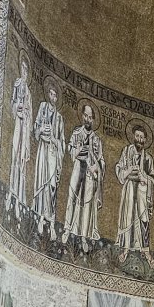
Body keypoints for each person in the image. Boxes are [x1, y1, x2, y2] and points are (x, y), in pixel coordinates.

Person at [62, 103, 104, 252]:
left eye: (90, 117)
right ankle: (67, 228)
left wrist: (96, 168)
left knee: (87, 203)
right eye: (85, 115)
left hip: (89, 174)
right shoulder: (76, 133)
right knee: (72, 196)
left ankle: (84, 236)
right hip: (78, 168)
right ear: (82, 116)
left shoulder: (96, 140)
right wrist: (79, 149)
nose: (87, 119)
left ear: (93, 120)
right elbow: (71, 150)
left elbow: (101, 160)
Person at [114, 124, 154, 266]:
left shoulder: (148, 159)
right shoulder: (126, 151)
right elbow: (119, 169)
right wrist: (128, 172)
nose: (139, 139)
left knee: (143, 221)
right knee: (128, 217)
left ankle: (145, 251)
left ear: (145, 139)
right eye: (137, 136)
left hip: (142, 193)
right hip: (129, 191)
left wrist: (144, 177)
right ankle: (126, 249)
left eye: (141, 137)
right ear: (134, 137)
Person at [30, 86, 64, 239]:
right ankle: (40, 217)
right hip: (43, 150)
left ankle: (51, 220)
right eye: (50, 93)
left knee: (51, 186)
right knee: (42, 183)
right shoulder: (42, 107)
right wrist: (41, 130)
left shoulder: (60, 118)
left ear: (57, 98)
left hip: (53, 154)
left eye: (55, 94)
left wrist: (54, 139)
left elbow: (62, 142)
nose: (52, 96)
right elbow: (35, 130)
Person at [6, 58, 32, 220]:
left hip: (25, 128)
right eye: (22, 68)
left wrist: (26, 112)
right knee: (15, 153)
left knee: (22, 160)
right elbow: (12, 103)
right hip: (17, 125)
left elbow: (30, 112)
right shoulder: (17, 85)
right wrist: (18, 108)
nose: (23, 72)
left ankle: (20, 195)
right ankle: (12, 190)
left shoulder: (28, 92)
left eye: (26, 70)